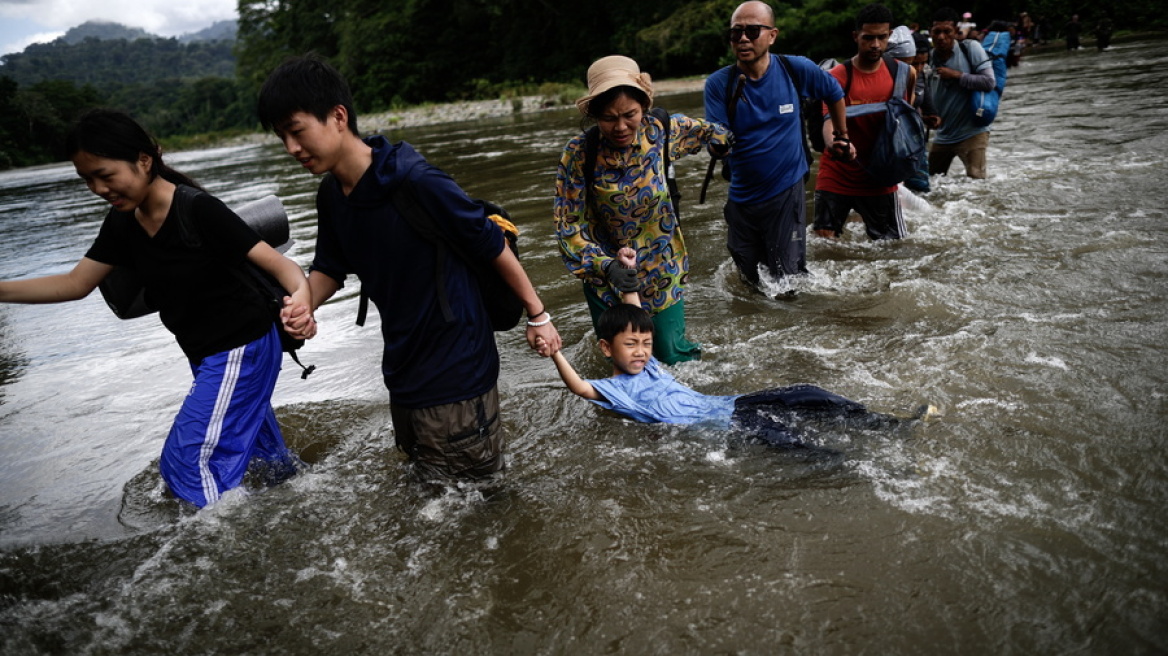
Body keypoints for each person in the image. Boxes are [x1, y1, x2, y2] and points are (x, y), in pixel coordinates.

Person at [257, 55, 561, 486]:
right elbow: (329, 267)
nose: (291, 148)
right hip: (403, 370)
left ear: (338, 116)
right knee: (430, 494)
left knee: (478, 502)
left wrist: (539, 316)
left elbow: (491, 244)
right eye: (281, 137)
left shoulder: (416, 181)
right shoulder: (332, 195)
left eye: (297, 131)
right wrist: (303, 305)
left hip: (458, 367)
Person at [0, 109, 312, 508]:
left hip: (242, 349)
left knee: (185, 465)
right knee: (266, 463)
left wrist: (301, 304)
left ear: (144, 160)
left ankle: (225, 556)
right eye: (87, 179)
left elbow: (283, 267)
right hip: (206, 356)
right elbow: (74, 284)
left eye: (105, 174)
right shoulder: (122, 223)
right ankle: (300, 510)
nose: (98, 188)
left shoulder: (198, 210)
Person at [540, 249, 931, 447]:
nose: (641, 350)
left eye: (646, 343)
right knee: (792, 442)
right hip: (722, 426)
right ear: (607, 350)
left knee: (805, 394)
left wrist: (628, 272)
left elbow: (636, 317)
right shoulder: (615, 389)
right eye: (631, 346)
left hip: (731, 402)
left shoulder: (650, 366)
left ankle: (888, 424)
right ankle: (854, 467)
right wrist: (555, 349)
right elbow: (578, 387)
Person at [554, 55, 731, 365]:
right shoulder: (580, 153)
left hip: (661, 266)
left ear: (644, 108)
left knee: (672, 356)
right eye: (608, 118)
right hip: (607, 274)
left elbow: (712, 132)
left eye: (629, 114)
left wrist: (721, 144)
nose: (620, 126)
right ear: (594, 115)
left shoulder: (661, 130)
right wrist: (606, 266)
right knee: (624, 363)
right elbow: (568, 226)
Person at [704, 0, 854, 290]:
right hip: (742, 196)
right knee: (749, 281)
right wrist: (717, 145)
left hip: (786, 190)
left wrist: (842, 136)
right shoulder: (719, 84)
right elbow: (717, 132)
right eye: (736, 33)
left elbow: (834, 92)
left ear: (772, 35)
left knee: (787, 282)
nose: (743, 39)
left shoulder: (794, 68)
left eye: (752, 31)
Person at [813, 7, 917, 241]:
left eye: (882, 37)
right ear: (855, 37)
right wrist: (836, 143)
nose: (876, 45)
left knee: (895, 251)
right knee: (823, 245)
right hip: (837, 174)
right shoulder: (836, 78)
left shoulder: (904, 74)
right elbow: (828, 121)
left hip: (881, 178)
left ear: (889, 35)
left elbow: (905, 122)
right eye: (868, 37)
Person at [927, 7, 996, 179]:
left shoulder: (970, 48)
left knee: (977, 179)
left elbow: (989, 82)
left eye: (947, 32)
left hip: (972, 131)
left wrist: (957, 75)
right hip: (943, 134)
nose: (941, 37)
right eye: (937, 32)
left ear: (957, 32)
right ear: (931, 33)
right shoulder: (928, 58)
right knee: (927, 183)